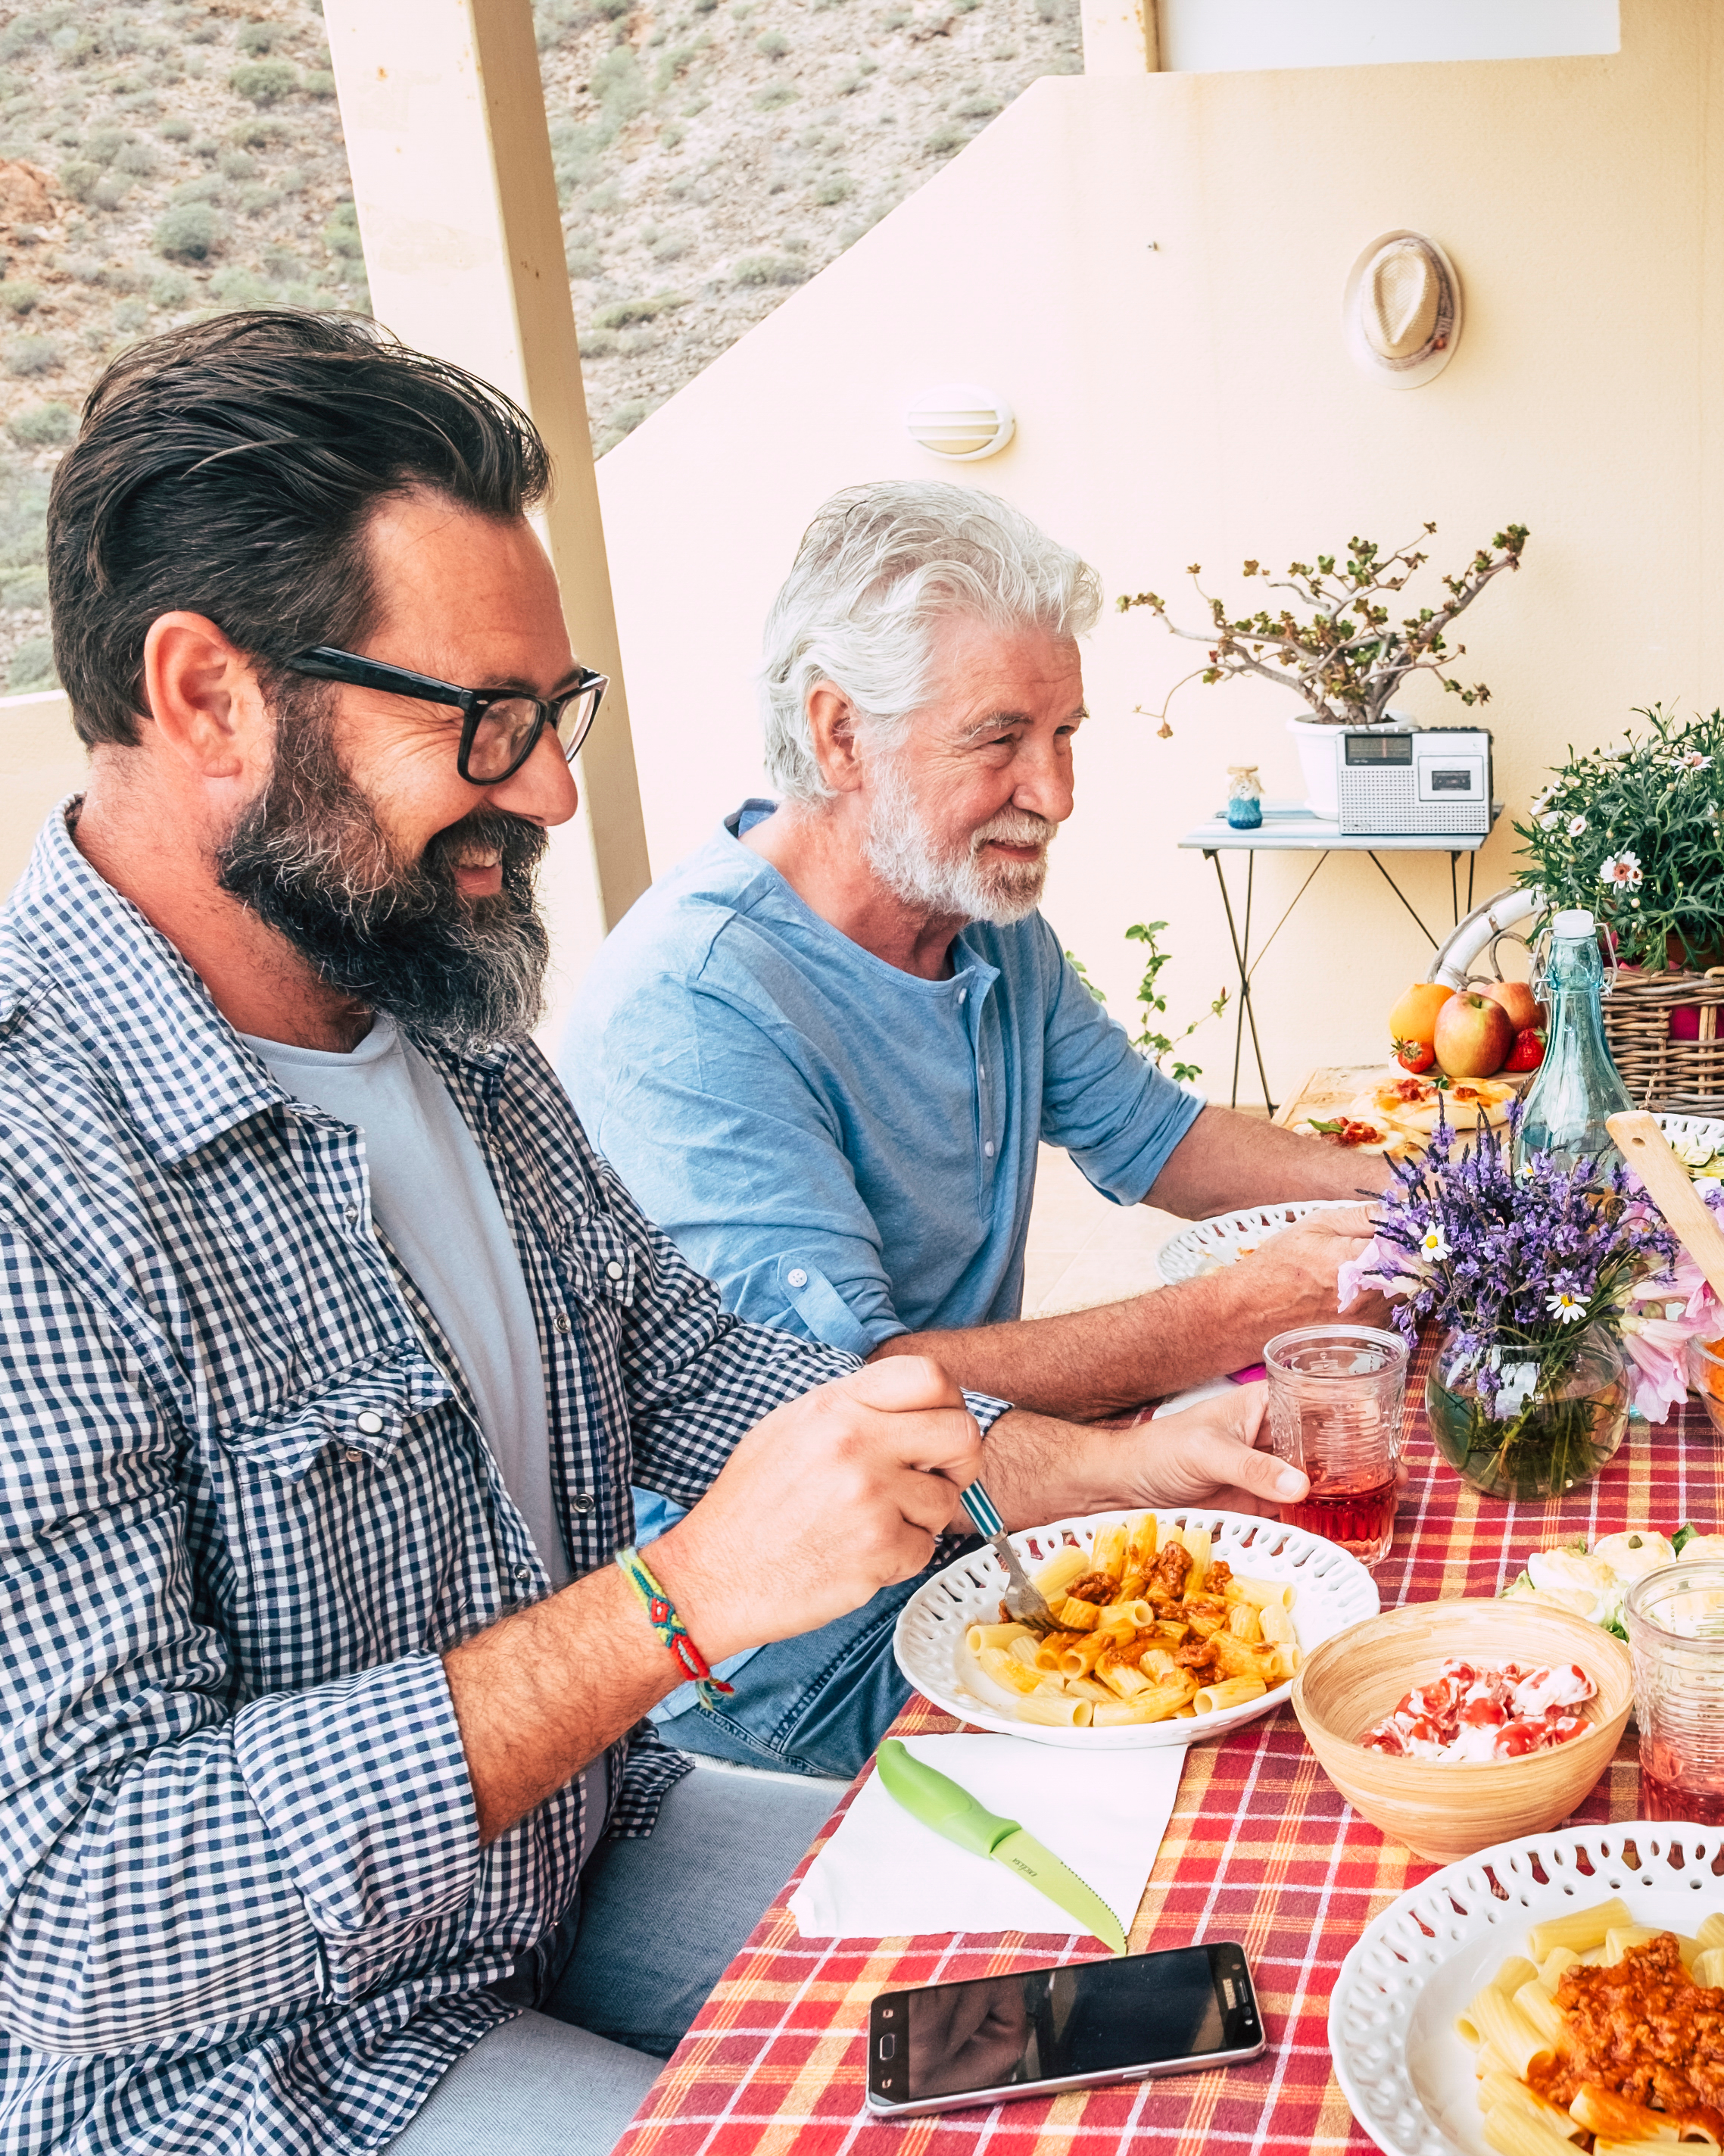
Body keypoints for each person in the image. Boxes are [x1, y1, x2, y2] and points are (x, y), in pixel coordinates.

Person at [0, 312, 1295, 2156]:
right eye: (485, 721)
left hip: (549, 1865)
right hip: (183, 2137)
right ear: (207, 696)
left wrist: (1096, 1466)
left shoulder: (437, 1034)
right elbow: (83, 1910)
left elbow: (705, 1373)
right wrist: (677, 1606)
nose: (552, 793)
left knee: (1146, 2000)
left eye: (556, 716)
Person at [569, 479, 1385, 1777]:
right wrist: (1230, 1318)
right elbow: (853, 1402)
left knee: (1366, 1619)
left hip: (988, 1532)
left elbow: (1157, 1136)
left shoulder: (985, 920)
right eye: (1000, 738)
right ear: (840, 733)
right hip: (798, 1658)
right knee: (1271, 1751)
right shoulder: (695, 1004)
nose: (1053, 792)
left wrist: (1411, 1195)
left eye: (1065, 734)